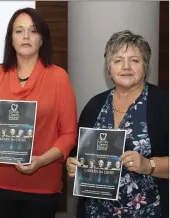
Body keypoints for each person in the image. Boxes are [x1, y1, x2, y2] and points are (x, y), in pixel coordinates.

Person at [0, 8, 77, 218]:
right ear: (10, 39)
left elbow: (69, 135)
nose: (26, 36)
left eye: (33, 30)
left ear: (42, 39)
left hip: (42, 182)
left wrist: (41, 161)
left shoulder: (59, 77)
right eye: (19, 31)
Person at [67, 30, 169, 217]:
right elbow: (78, 154)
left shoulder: (164, 104)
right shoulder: (94, 105)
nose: (126, 66)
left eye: (135, 60)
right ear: (109, 69)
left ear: (145, 66)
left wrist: (148, 165)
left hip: (147, 211)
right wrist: (73, 164)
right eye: (118, 60)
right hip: (96, 211)